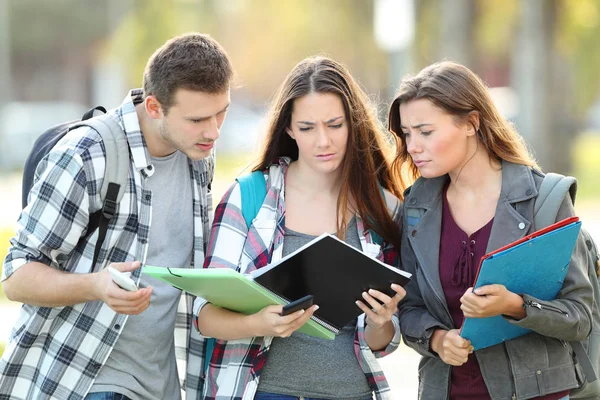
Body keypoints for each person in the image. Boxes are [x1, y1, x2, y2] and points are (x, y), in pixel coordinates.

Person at [0, 33, 233, 400]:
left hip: (165, 384)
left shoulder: (198, 153)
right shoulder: (86, 155)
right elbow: (16, 276)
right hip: (87, 380)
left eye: (222, 112)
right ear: (154, 107)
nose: (214, 131)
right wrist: (95, 286)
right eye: (198, 119)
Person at [193, 56, 406, 400]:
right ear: (289, 129)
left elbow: (382, 344)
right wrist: (259, 324)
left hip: (350, 393)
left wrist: (382, 321)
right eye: (307, 128)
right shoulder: (248, 198)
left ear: (354, 124)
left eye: (335, 125)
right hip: (265, 392)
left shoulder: (381, 210)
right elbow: (203, 315)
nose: (323, 141)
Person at [390, 60, 593, 400]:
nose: (412, 146)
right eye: (407, 134)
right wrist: (437, 339)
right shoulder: (415, 207)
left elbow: (580, 317)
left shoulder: (544, 200)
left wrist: (514, 305)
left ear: (471, 123)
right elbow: (408, 308)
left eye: (425, 132)